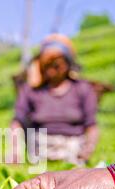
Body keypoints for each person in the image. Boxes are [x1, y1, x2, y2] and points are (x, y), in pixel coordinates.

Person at [9, 34, 99, 166]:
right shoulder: (31, 90)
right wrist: (15, 150)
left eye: (57, 65)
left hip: (73, 150)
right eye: (48, 64)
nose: (52, 69)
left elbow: (91, 126)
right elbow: (17, 121)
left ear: (68, 64)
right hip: (40, 151)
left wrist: (87, 150)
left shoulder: (82, 88)